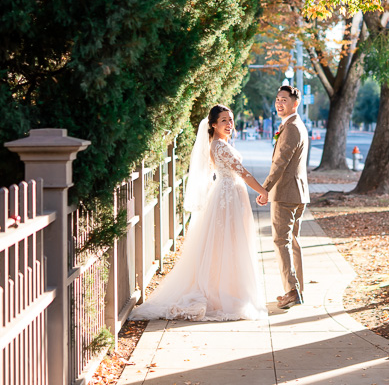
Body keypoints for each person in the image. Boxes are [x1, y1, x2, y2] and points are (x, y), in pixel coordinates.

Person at [130, 104, 268, 321]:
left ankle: (230, 288)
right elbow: (242, 173)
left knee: (229, 243)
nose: (229, 124)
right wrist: (263, 191)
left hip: (229, 194)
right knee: (225, 243)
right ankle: (220, 293)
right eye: (224, 120)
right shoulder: (219, 146)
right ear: (213, 124)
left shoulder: (220, 144)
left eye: (230, 119)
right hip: (227, 195)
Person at [257, 84, 309, 309]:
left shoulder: (292, 128)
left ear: (295, 103)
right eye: (277, 99)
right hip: (297, 192)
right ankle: (297, 290)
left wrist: (265, 188)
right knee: (292, 242)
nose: (279, 103)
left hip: (286, 192)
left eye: (284, 100)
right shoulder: (295, 125)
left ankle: (291, 290)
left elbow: (281, 162)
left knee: (281, 242)